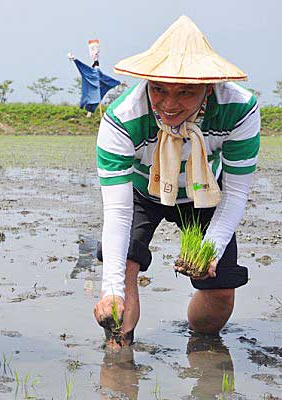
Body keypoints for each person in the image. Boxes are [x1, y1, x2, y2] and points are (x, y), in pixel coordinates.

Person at [93, 16, 260, 346]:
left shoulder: (239, 109)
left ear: (208, 86)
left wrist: (210, 249)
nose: (169, 105)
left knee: (220, 297)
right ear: (147, 83)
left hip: (205, 193)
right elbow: (117, 211)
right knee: (124, 270)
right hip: (143, 192)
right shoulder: (122, 119)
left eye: (186, 92)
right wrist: (109, 289)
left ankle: (200, 345)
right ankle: (119, 360)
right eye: (159, 89)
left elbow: (237, 191)